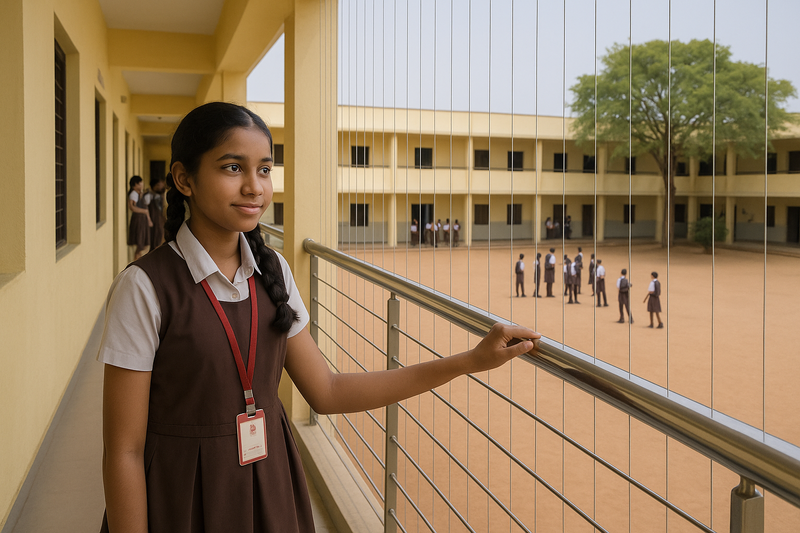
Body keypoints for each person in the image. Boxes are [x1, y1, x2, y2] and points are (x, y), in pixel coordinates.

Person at [97, 102, 539, 533]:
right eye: (233, 168)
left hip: (270, 486)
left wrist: (466, 362)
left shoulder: (274, 273)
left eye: (265, 169)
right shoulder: (145, 287)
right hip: (181, 496)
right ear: (184, 179)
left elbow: (327, 391)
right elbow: (124, 451)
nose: (255, 186)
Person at [127, 175, 152, 261]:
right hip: (138, 220)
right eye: (139, 183)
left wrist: (148, 219)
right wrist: (143, 211)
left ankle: (137, 259)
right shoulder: (133, 194)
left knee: (143, 243)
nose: (142, 184)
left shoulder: (139, 194)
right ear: (135, 185)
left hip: (142, 220)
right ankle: (136, 260)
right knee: (140, 243)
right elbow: (132, 207)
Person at [144, 176, 166, 250]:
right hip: (154, 220)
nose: (161, 186)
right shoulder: (149, 195)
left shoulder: (160, 195)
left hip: (159, 220)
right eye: (159, 185)